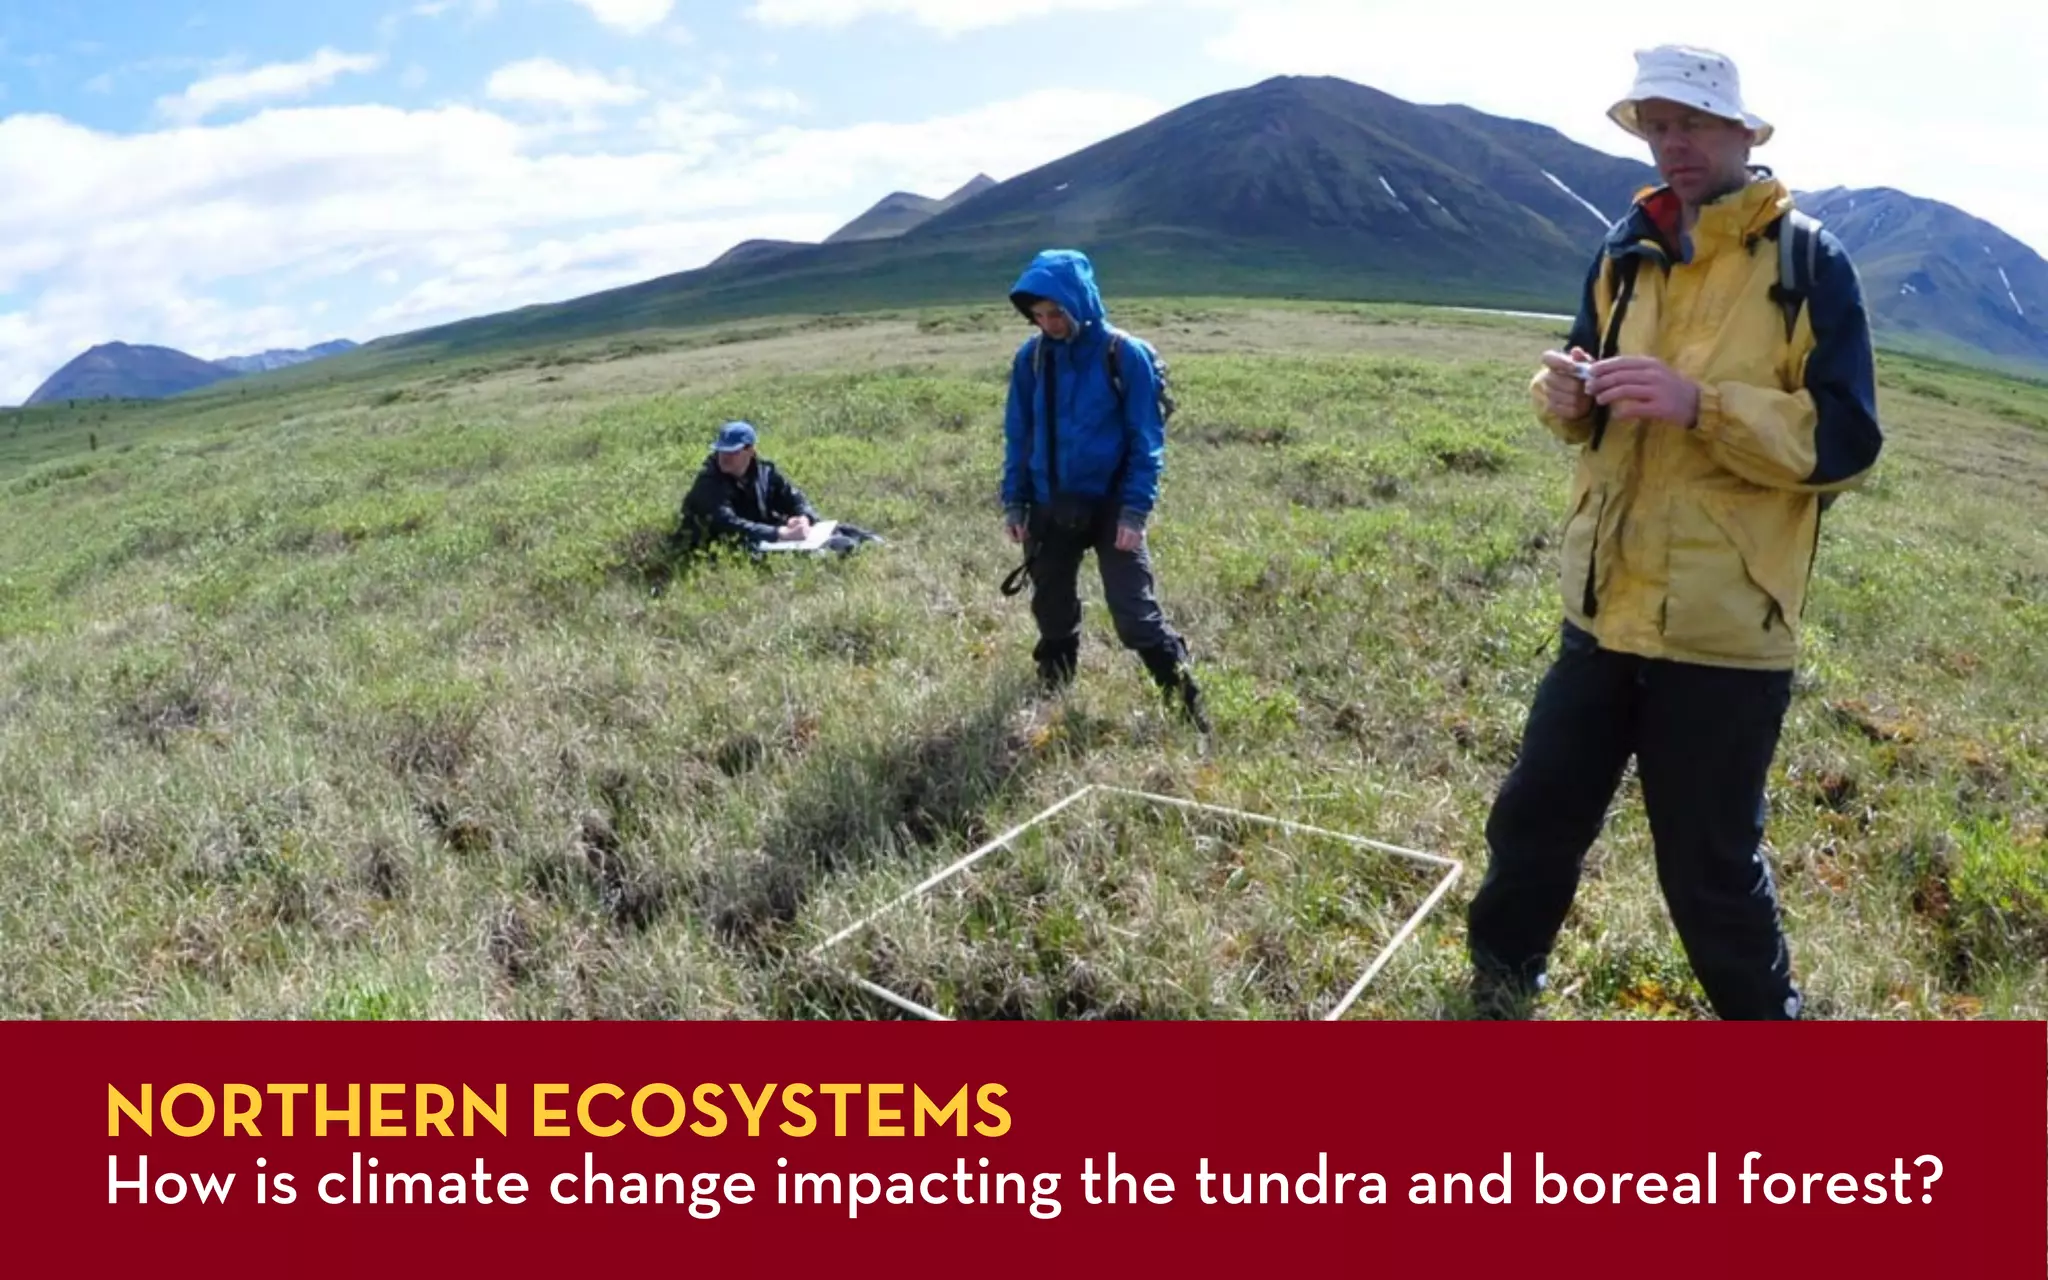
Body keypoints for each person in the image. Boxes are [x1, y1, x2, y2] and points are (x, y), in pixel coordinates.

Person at [1465, 46, 1883, 1020]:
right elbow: (1580, 390)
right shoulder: (1623, 249)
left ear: (1743, 131)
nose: (1670, 143)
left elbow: (1849, 443)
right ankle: (1497, 975)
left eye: (1690, 122)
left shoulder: (1806, 260)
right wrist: (1561, 392)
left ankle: (1762, 1027)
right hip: (1601, 606)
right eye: (1655, 124)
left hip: (1724, 628)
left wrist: (1701, 404)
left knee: (1706, 864)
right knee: (1534, 816)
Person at [1001, 249, 1208, 731]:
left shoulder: (1123, 353)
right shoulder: (1030, 359)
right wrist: (1015, 499)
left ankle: (1187, 708)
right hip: (1049, 504)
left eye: (1057, 312)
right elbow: (1019, 434)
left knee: (1135, 614)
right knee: (1051, 608)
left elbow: (1146, 438)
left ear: (1081, 302)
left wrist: (1134, 511)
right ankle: (1054, 691)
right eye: (1039, 315)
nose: (1048, 323)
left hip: (1114, 506)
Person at [675, 420, 878, 557]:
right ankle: (834, 549)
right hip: (728, 543)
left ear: (750, 451)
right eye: (721, 451)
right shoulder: (708, 482)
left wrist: (803, 518)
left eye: (732, 452)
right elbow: (729, 523)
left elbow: (794, 497)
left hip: (766, 532)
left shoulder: (765, 471)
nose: (724, 457)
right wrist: (779, 533)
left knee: (843, 530)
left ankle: (872, 544)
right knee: (819, 550)